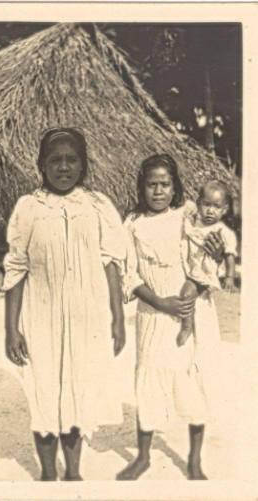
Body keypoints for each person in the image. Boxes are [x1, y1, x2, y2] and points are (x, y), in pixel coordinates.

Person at [3, 128, 126, 481]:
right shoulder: (29, 208)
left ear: (84, 165)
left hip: (87, 318)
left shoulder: (98, 206)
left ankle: (73, 473)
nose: (63, 167)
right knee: (44, 395)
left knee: (78, 392)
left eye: (72, 160)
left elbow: (110, 264)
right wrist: (11, 329)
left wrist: (117, 319)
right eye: (55, 160)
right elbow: (16, 270)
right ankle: (46, 474)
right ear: (42, 165)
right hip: (40, 317)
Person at [116, 154, 224, 481]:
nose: (159, 191)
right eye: (152, 185)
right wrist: (161, 303)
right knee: (148, 378)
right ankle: (143, 457)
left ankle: (193, 460)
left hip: (192, 308)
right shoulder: (133, 223)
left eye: (165, 184)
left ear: (175, 186)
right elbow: (128, 274)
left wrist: (211, 262)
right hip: (154, 311)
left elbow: (204, 254)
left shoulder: (187, 214)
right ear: (142, 187)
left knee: (192, 381)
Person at [177, 180, 237, 347]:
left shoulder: (223, 231)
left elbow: (229, 255)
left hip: (204, 273)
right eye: (206, 205)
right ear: (198, 204)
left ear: (224, 210)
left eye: (216, 207)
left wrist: (230, 277)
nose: (210, 210)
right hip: (189, 266)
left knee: (187, 293)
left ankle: (186, 327)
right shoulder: (192, 221)